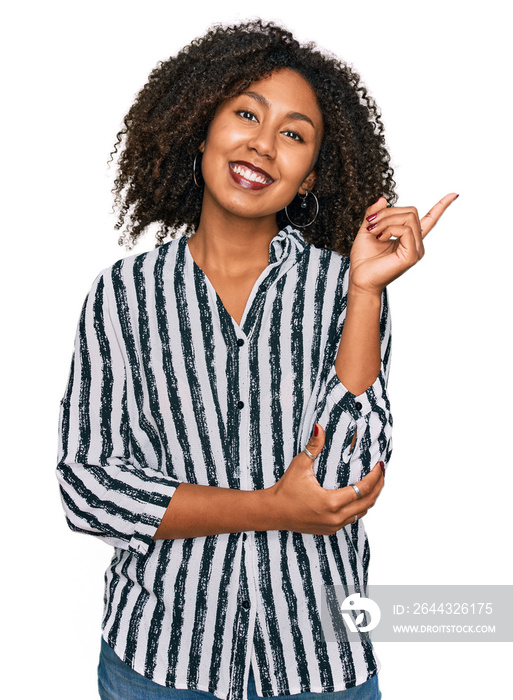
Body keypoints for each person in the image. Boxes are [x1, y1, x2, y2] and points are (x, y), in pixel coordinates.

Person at [56, 20, 457, 700]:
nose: (263, 145)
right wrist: (269, 506)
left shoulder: (344, 290)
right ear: (201, 127)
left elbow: (343, 483)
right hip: (160, 663)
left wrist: (363, 291)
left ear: (309, 175)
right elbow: (89, 487)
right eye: (246, 113)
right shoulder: (121, 295)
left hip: (317, 664)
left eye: (294, 134)